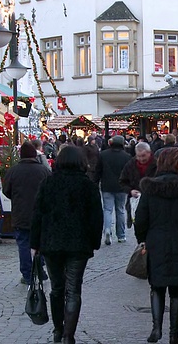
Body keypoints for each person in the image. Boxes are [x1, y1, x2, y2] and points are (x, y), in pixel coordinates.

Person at [30, 146, 104, 344]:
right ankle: (68, 336)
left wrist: (35, 243)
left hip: (52, 243)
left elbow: (37, 214)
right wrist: (94, 242)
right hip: (78, 244)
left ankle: (57, 330)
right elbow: (97, 217)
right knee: (73, 289)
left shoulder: (48, 183)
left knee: (56, 288)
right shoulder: (87, 185)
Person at [134, 148, 178, 344]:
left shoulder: (150, 188)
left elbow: (141, 219)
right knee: (177, 290)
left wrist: (142, 239)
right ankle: (174, 334)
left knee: (157, 287)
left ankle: (156, 328)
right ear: (176, 164)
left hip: (156, 241)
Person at [3, 141, 52, 285]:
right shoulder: (43, 170)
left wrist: (17, 198)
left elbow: (6, 190)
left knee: (23, 243)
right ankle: (40, 269)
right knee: (41, 242)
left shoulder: (13, 171)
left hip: (21, 213)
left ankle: (27, 273)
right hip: (41, 213)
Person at [95, 135, 131, 244]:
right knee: (120, 210)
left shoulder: (103, 155)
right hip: (121, 187)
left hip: (107, 186)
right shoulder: (127, 156)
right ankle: (121, 235)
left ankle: (107, 230)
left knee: (107, 209)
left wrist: (96, 183)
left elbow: (98, 171)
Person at [120, 142, 157, 228]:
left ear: (149, 153)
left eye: (143, 156)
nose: (141, 159)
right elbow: (122, 181)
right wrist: (130, 191)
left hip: (152, 201)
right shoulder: (130, 165)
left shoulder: (157, 164)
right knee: (138, 226)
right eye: (138, 156)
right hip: (135, 201)